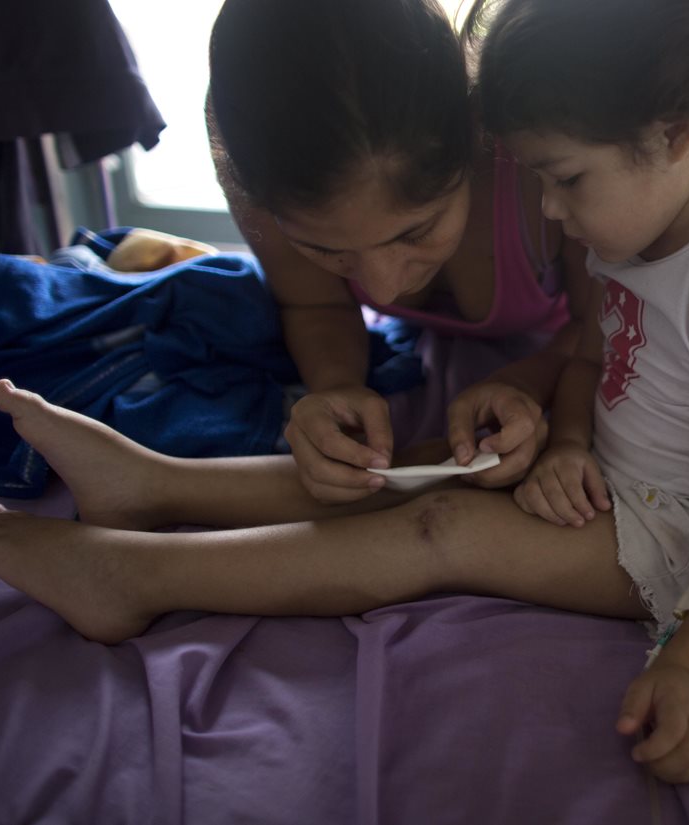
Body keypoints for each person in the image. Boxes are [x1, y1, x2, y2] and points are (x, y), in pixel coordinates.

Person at [0, 0, 689, 784]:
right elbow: (593, 354)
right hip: (620, 476)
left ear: (672, 134)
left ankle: (133, 575)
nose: (549, 210)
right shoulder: (648, 221)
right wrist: (565, 432)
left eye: (564, 179)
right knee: (433, 464)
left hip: (686, 539)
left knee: (440, 527)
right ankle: (155, 484)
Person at [205, 0, 592, 502]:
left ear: (476, 132)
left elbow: (607, 322)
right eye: (324, 249)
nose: (383, 285)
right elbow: (316, 304)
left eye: (416, 232)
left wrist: (529, 380)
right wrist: (336, 385)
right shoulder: (259, 157)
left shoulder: (537, 153)